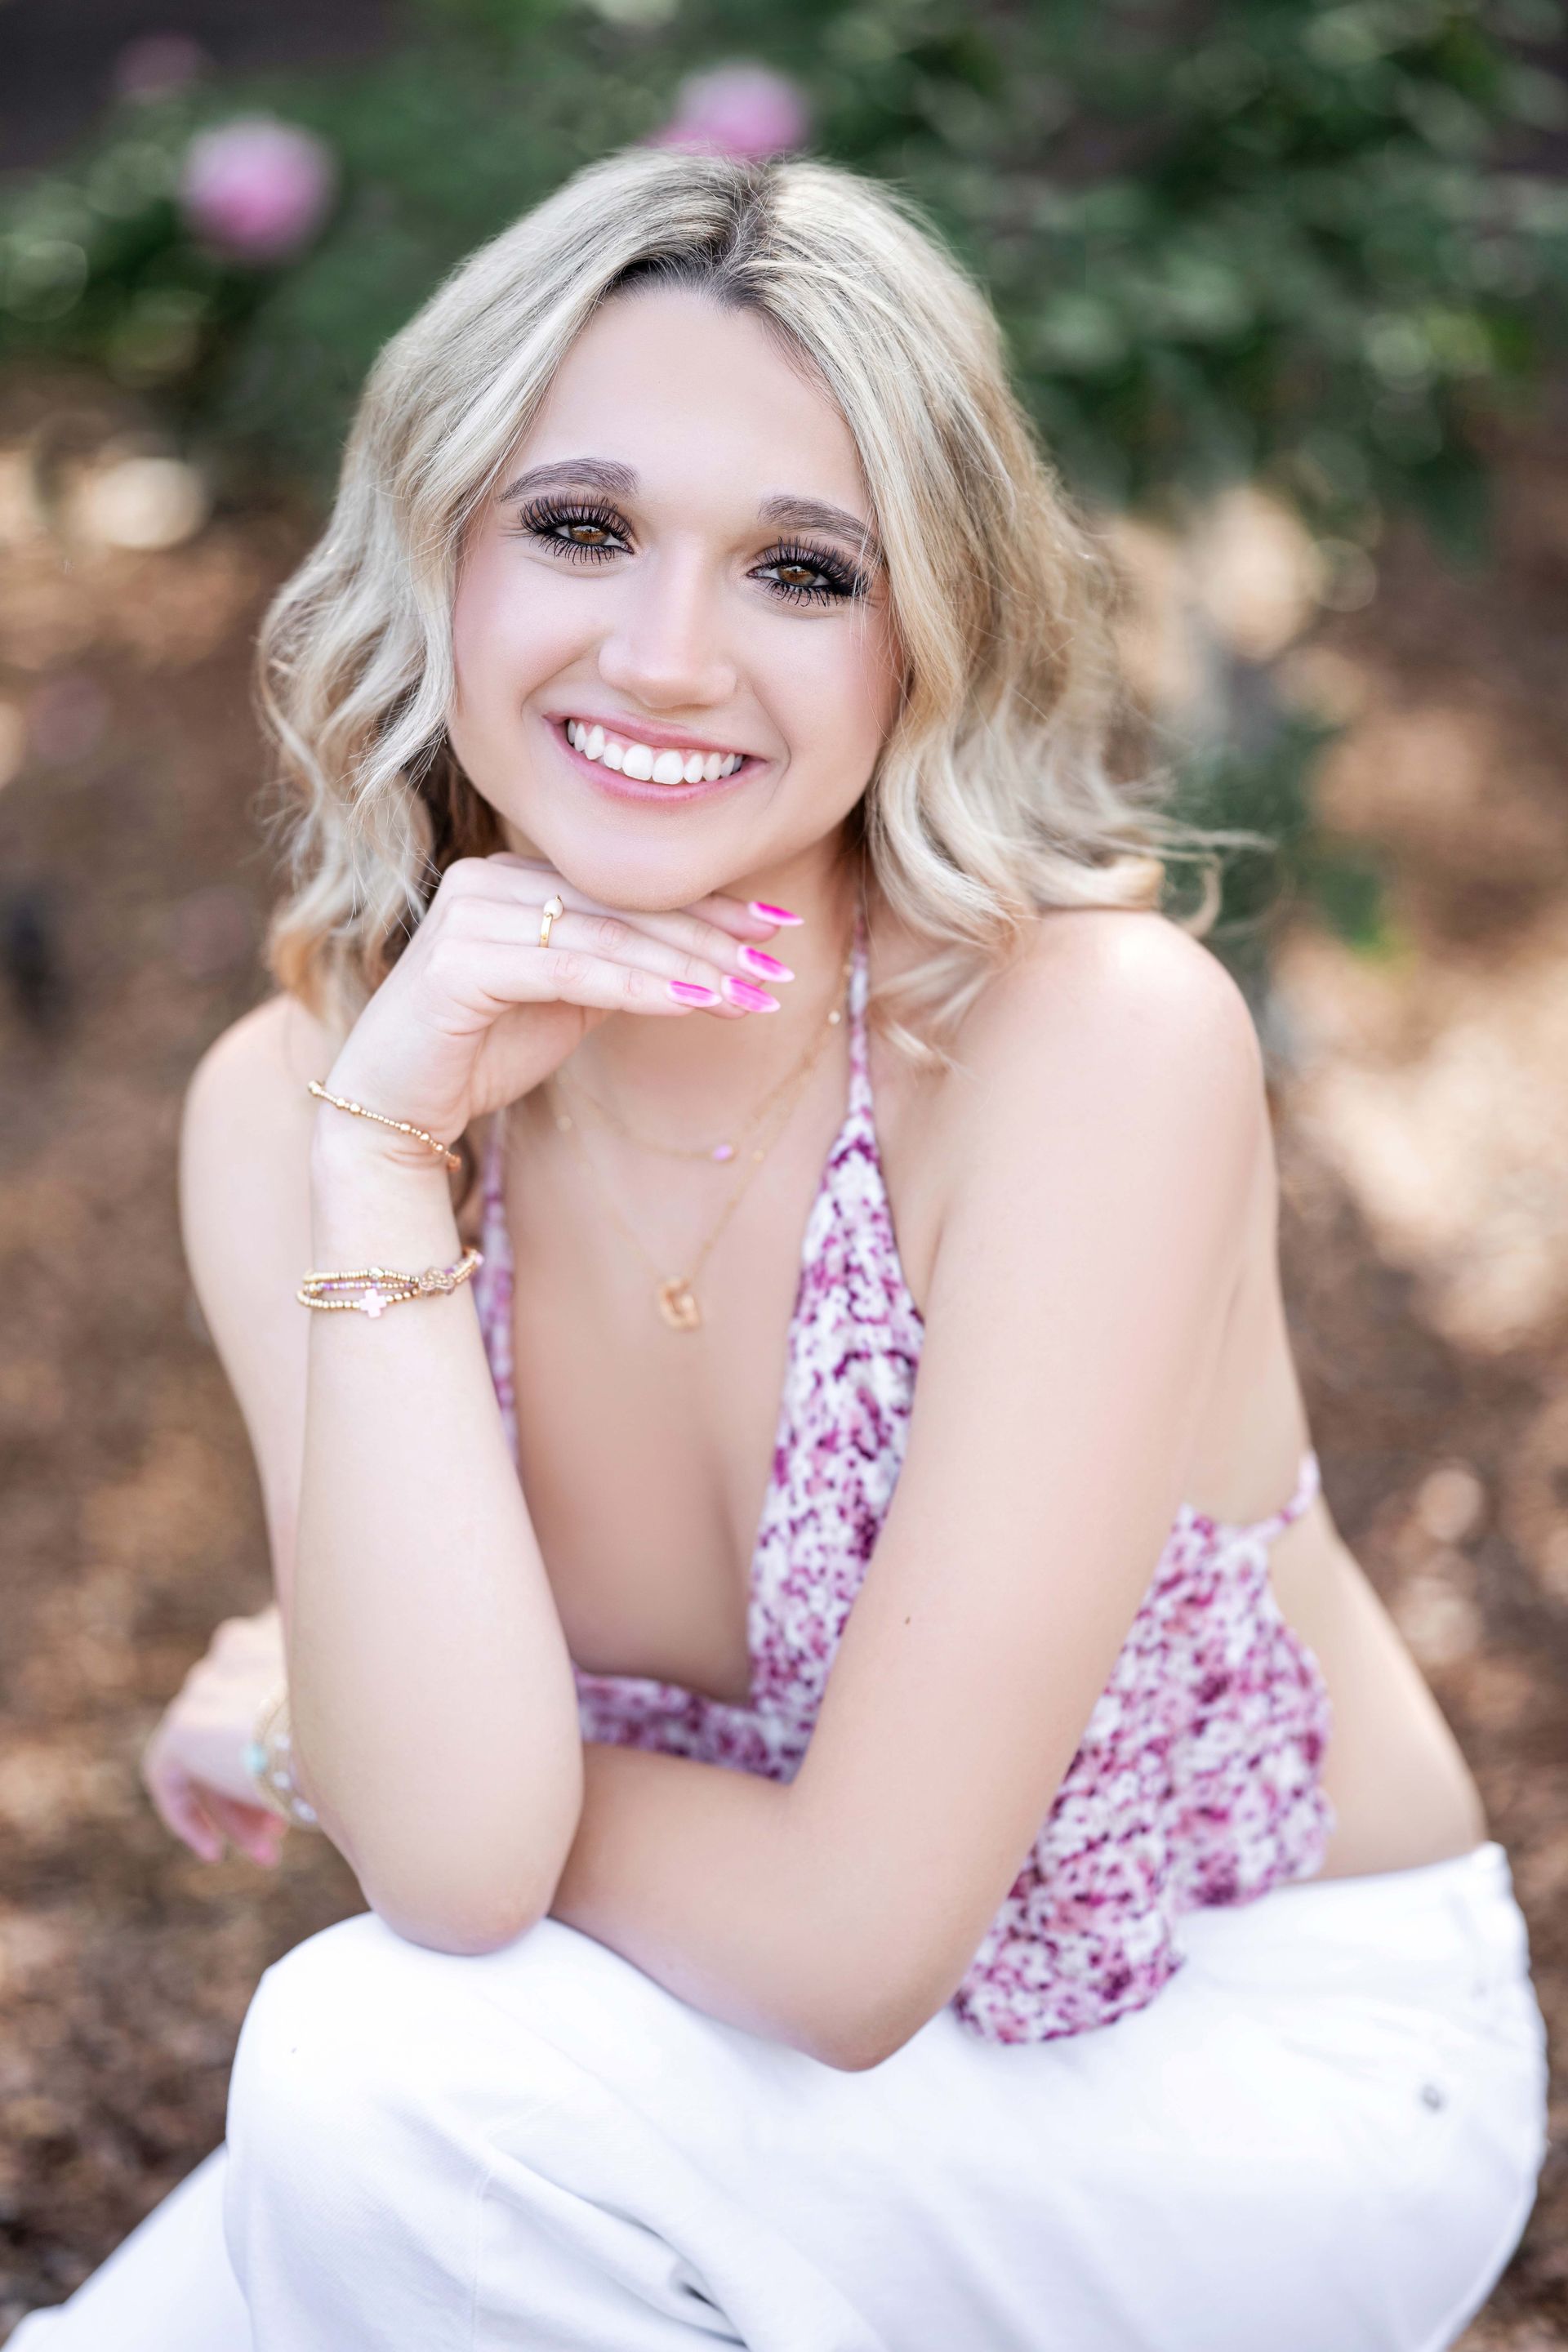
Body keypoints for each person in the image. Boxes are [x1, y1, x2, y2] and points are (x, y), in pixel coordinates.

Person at [13, 146, 1547, 2352]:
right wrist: (382, 1164)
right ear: (436, 545)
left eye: (802, 570)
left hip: (1242, 2063)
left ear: (927, 630)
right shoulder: (303, 1111)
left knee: (380, 2076)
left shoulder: (1082, 1054)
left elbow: (844, 1942)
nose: (667, 655)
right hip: (660, 2041)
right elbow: (455, 1872)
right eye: (578, 526)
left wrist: (307, 1736)